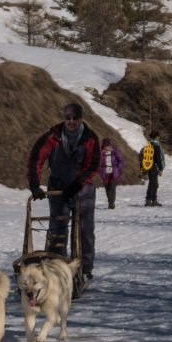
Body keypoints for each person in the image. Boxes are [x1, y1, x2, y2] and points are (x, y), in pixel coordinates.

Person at [27, 102, 101, 280]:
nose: (71, 122)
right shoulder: (53, 137)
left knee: (84, 230)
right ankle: (55, 266)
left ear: (81, 118)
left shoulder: (89, 138)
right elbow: (36, 159)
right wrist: (35, 185)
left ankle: (85, 268)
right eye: (68, 118)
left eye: (75, 118)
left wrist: (78, 185)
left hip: (83, 191)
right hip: (58, 190)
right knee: (57, 229)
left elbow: (93, 165)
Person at [140, 131, 166, 206]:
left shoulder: (148, 145)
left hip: (148, 166)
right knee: (152, 183)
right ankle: (148, 200)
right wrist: (161, 168)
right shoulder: (156, 146)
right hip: (154, 167)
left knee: (155, 184)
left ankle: (154, 200)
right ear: (157, 137)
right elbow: (158, 159)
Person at [99, 138, 124, 209]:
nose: (107, 147)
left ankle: (111, 203)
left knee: (112, 187)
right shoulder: (100, 152)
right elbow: (97, 162)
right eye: (105, 146)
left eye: (108, 146)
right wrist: (99, 169)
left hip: (114, 172)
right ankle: (110, 201)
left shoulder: (115, 151)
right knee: (107, 188)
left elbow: (121, 160)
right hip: (104, 172)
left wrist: (118, 168)